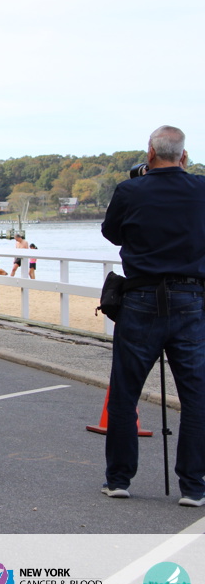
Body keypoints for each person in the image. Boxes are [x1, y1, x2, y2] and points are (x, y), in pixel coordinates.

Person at [101, 125, 205, 507]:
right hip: (191, 299)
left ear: (150, 153)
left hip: (140, 298)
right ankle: (193, 486)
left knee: (125, 392)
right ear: (184, 156)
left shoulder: (130, 191)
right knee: (196, 396)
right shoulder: (201, 189)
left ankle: (119, 479)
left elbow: (112, 233)